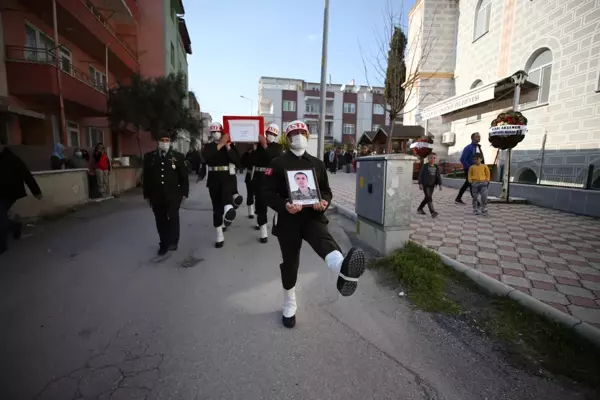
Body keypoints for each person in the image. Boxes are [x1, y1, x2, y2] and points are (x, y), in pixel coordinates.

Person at [263, 120, 366, 328]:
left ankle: (342, 268)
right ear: (287, 138)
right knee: (290, 263)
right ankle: (289, 302)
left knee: (324, 241)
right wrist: (284, 205)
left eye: (302, 132)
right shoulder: (278, 163)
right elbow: (266, 192)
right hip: (288, 219)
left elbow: (326, 190)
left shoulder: (317, 164)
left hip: (312, 216)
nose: (298, 136)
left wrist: (325, 202)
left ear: (308, 136)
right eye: (293, 134)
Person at [143, 134, 189, 256]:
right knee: (160, 220)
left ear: (170, 142)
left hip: (174, 194)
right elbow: (146, 177)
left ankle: (173, 241)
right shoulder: (149, 157)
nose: (164, 142)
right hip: (156, 195)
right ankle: (163, 243)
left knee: (173, 217)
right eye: (162, 140)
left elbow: (183, 176)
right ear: (158, 142)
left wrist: (184, 193)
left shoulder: (178, 157)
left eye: (167, 140)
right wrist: (146, 195)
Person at [202, 122, 241, 247]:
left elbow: (237, 160)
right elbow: (206, 156)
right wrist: (220, 144)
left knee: (226, 199)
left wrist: (228, 146)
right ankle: (219, 234)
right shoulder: (208, 146)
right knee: (216, 208)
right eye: (213, 132)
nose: (216, 134)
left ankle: (229, 210)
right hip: (213, 179)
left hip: (227, 177)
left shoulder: (229, 146)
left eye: (217, 131)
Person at [0, 141, 42, 255]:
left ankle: (2, 246)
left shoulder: (13, 159)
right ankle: (15, 226)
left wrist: (36, 191)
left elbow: (26, 175)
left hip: (9, 193)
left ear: (2, 146)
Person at [252, 123, 284, 243]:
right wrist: (255, 149)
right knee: (260, 204)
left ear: (276, 135)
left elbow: (275, 159)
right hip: (259, 177)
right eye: (268, 133)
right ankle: (263, 230)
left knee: (272, 202)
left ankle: (277, 223)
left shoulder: (278, 147)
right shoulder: (259, 146)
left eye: (273, 134)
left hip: (271, 178)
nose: (270, 135)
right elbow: (251, 162)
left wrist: (265, 146)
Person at [456, 132, 484, 205]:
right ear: (472, 138)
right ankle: (475, 201)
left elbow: (480, 158)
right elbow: (462, 159)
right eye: (477, 137)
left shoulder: (478, 147)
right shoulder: (468, 147)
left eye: (479, 136)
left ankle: (458, 198)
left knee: (468, 183)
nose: (479, 138)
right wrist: (469, 167)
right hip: (469, 169)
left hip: (477, 169)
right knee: (471, 183)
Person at [417, 152, 442, 218]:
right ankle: (433, 212)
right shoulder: (425, 166)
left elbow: (438, 176)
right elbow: (421, 175)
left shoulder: (436, 167)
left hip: (432, 185)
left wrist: (440, 184)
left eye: (434, 158)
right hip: (426, 184)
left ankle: (420, 208)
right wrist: (420, 183)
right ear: (428, 158)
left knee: (427, 198)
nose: (433, 159)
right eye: (431, 158)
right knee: (429, 198)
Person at [241, 145, 256, 219]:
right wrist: (248, 154)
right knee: (250, 194)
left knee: (259, 195)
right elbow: (243, 163)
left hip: (259, 175)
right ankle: (250, 211)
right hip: (250, 175)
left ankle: (258, 212)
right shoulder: (247, 155)